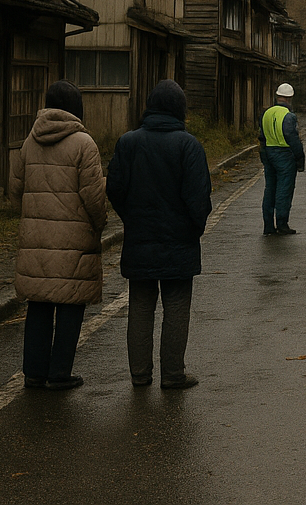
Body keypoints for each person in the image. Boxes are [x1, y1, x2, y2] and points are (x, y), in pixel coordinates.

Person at [106, 80, 212, 389]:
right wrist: (193, 229)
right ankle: (172, 374)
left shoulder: (128, 142)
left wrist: (132, 218)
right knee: (176, 306)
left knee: (140, 305)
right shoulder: (188, 145)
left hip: (139, 238)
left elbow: (114, 188)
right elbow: (198, 199)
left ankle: (140, 375)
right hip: (179, 241)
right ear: (180, 109)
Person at [8, 81, 105, 391]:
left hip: (36, 239)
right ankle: (59, 372)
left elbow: (15, 191)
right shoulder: (83, 144)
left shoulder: (30, 142)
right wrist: (99, 224)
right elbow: (94, 197)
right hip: (74, 239)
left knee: (38, 303)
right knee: (70, 303)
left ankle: (33, 373)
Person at [259, 82, 305, 235]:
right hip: (284, 154)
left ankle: (268, 225)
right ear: (290, 98)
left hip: (268, 152)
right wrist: (300, 158)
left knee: (270, 189)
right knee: (284, 190)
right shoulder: (288, 116)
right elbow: (292, 137)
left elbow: (261, 136)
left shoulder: (265, 113)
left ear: (277, 96)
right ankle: (282, 224)